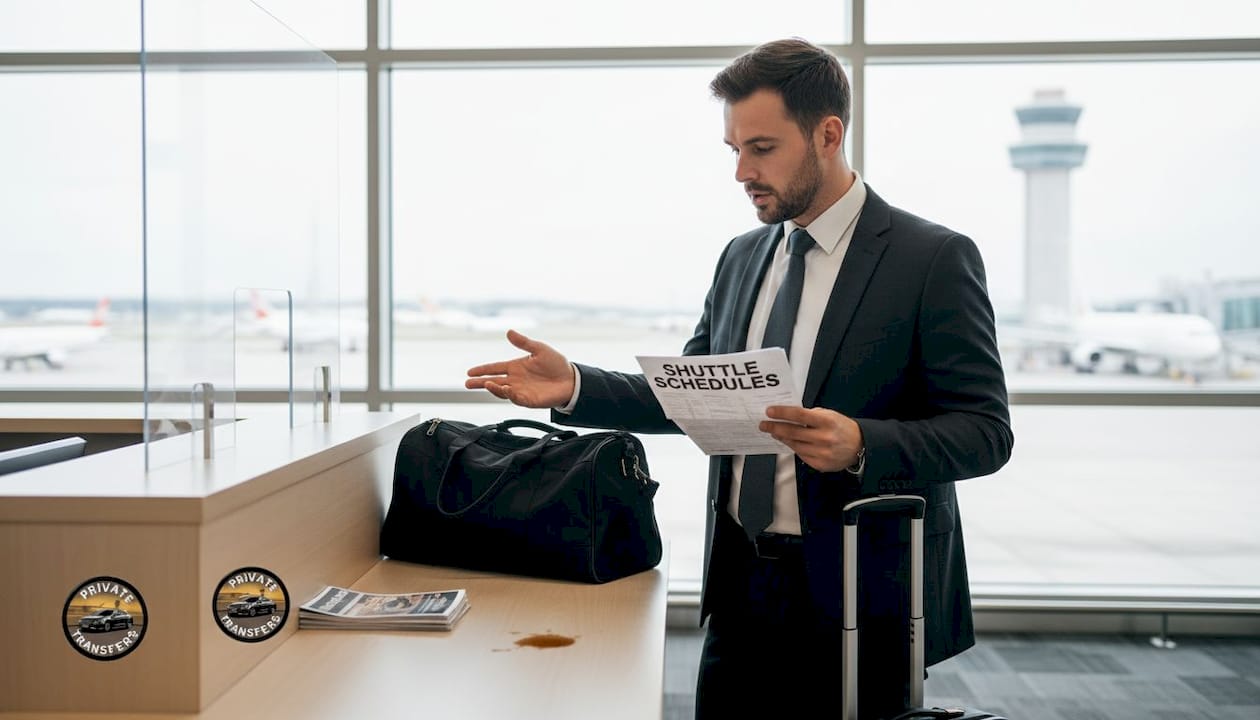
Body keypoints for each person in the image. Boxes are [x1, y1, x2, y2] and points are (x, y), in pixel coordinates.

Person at [466, 37, 1013, 720]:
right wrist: (575, 384)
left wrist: (861, 444)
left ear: (828, 135)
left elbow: (985, 432)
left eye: (761, 148)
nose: (741, 172)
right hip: (741, 584)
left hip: (861, 592)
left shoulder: (930, 258)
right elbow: (693, 394)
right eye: (733, 150)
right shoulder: (743, 256)